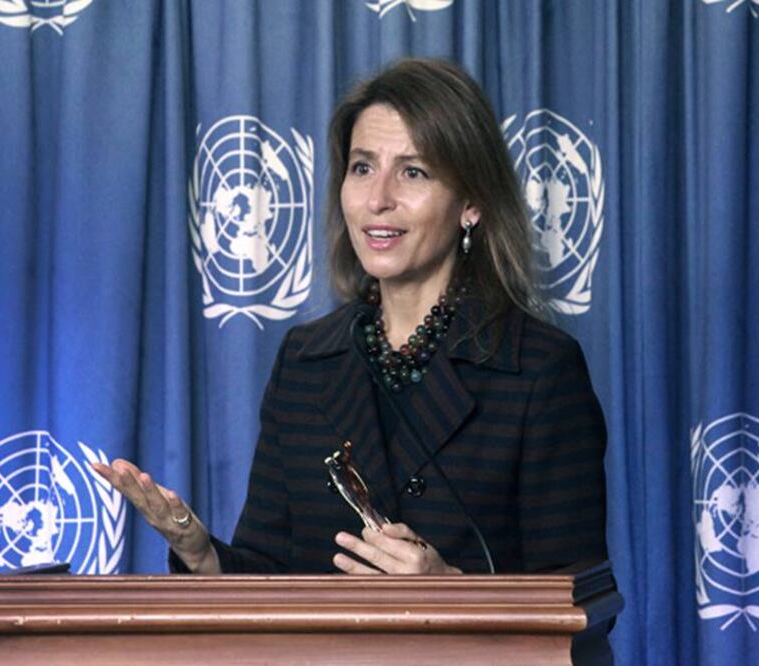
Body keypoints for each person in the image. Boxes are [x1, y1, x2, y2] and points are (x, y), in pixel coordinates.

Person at [92, 58, 608, 575]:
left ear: (471, 202)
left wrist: (451, 589)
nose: (378, 199)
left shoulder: (538, 368)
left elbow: (579, 602)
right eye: (362, 168)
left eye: (413, 171)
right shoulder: (305, 361)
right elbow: (267, 575)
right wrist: (202, 555)